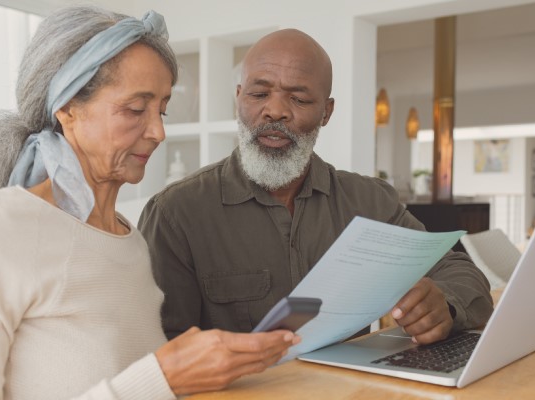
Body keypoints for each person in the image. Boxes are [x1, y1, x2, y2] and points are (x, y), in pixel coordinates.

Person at [0, 7, 299, 400]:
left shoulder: (129, 240)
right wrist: (163, 378)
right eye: (135, 109)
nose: (158, 131)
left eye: (162, 109)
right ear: (67, 109)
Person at [138, 29, 494, 346]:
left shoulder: (369, 201)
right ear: (238, 97)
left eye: (299, 99)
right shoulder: (176, 213)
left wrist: (443, 303)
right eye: (259, 93)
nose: (274, 111)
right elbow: (159, 352)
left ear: (327, 111)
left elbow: (463, 274)